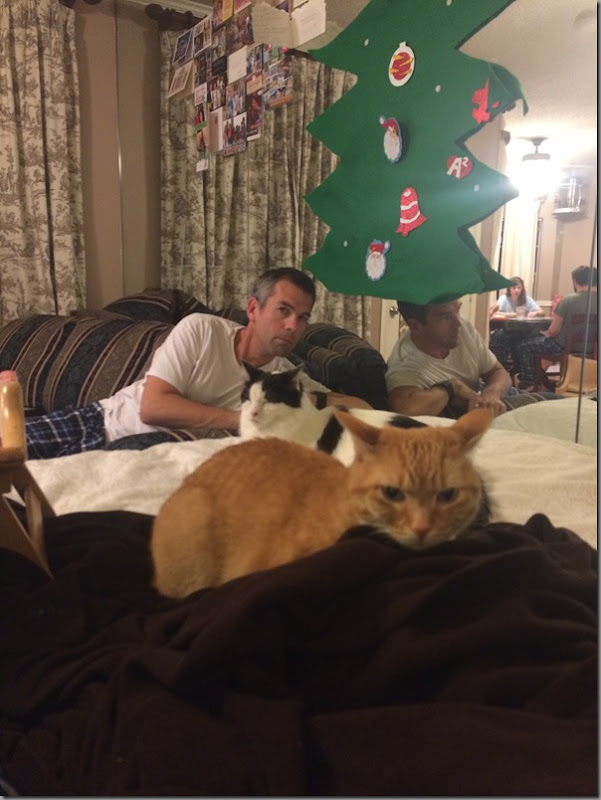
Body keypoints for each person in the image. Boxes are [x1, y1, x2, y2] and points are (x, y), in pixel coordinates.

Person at [25, 268, 370, 459]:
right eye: (284, 310)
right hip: (100, 422)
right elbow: (153, 407)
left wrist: (326, 401)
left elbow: (357, 405)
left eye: (303, 317)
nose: (293, 325)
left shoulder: (284, 379)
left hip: (137, 457)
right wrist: (243, 419)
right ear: (253, 309)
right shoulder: (202, 330)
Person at [386, 298, 513, 418]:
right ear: (415, 326)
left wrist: (491, 394)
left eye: (457, 310)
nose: (458, 323)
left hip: (491, 395)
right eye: (445, 316)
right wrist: (451, 387)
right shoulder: (404, 365)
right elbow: (406, 410)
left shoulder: (462, 328)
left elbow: (498, 372)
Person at [514, 265, 598, 391]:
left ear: (575, 281)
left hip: (562, 347)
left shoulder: (568, 300)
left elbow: (553, 331)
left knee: (524, 345)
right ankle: (542, 378)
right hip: (591, 349)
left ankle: (531, 383)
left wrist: (547, 333)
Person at [488, 276, 544, 374]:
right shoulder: (504, 299)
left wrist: (535, 313)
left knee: (528, 339)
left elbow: (542, 312)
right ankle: (500, 370)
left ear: (522, 289)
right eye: (514, 288)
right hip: (507, 330)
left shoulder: (527, 299)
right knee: (500, 339)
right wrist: (513, 315)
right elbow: (494, 312)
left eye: (519, 288)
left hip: (523, 331)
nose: (516, 290)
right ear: (509, 289)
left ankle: (522, 370)